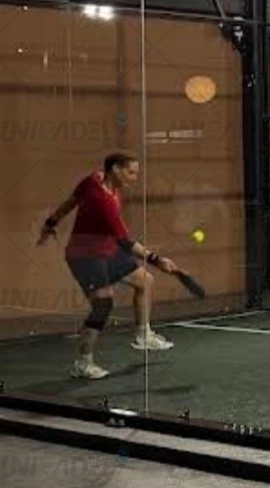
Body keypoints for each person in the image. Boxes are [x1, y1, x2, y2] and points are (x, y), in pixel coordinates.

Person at [37, 153, 182, 379]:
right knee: (103, 304)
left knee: (145, 281)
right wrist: (157, 259)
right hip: (85, 257)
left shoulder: (94, 179)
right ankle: (83, 362)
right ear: (115, 169)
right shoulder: (102, 200)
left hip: (107, 251)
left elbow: (71, 201)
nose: (134, 178)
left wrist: (51, 222)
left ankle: (143, 336)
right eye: (131, 172)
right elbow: (126, 242)